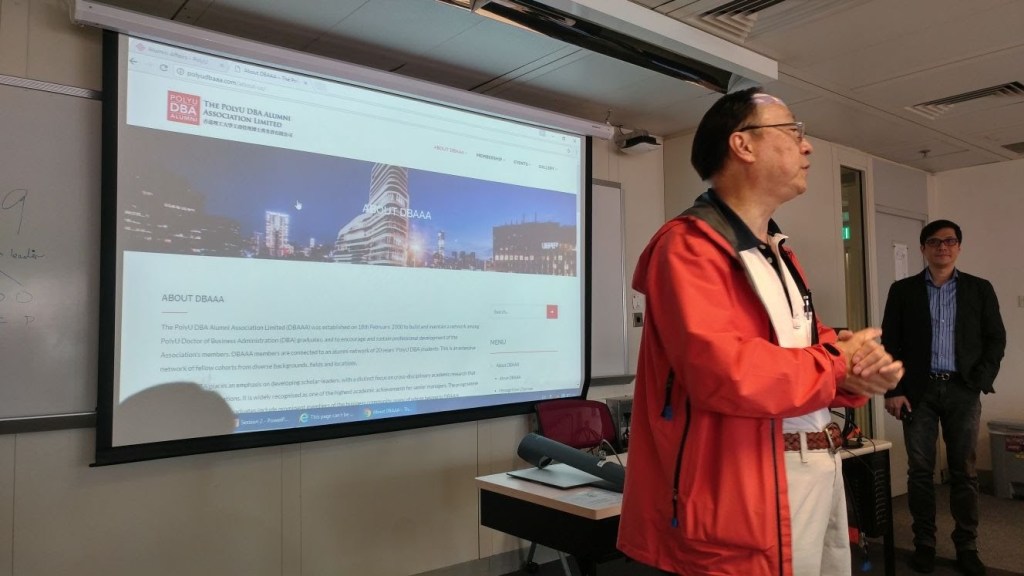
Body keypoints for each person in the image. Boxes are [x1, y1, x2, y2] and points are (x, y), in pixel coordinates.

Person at [616, 87, 904, 576]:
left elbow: (799, 347)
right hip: (747, 486)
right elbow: (726, 373)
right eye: (792, 131)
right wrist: (838, 361)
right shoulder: (688, 247)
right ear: (743, 144)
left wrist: (857, 367)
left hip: (814, 470)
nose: (806, 146)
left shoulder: (776, 250)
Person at [881, 219, 1006, 576]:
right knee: (920, 471)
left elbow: (995, 339)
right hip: (916, 392)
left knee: (964, 471)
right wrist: (893, 390)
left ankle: (967, 545)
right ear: (923, 248)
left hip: (961, 389)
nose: (942, 247)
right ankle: (925, 543)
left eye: (950, 241)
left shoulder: (979, 289)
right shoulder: (903, 291)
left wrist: (979, 380)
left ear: (959, 247)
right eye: (934, 241)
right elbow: (890, 343)